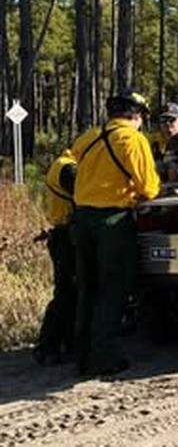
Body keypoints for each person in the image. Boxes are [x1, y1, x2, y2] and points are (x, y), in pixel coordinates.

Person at [70, 89, 161, 377]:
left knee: (88, 289)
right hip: (113, 222)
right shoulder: (132, 139)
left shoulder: (88, 137)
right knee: (113, 289)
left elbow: (71, 165)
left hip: (81, 219)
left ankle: (82, 356)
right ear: (136, 115)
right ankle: (105, 358)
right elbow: (149, 188)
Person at [32, 149, 78, 366]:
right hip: (66, 236)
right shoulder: (68, 167)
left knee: (70, 293)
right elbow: (83, 195)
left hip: (61, 234)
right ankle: (47, 345)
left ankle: (66, 343)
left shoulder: (61, 164)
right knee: (66, 293)